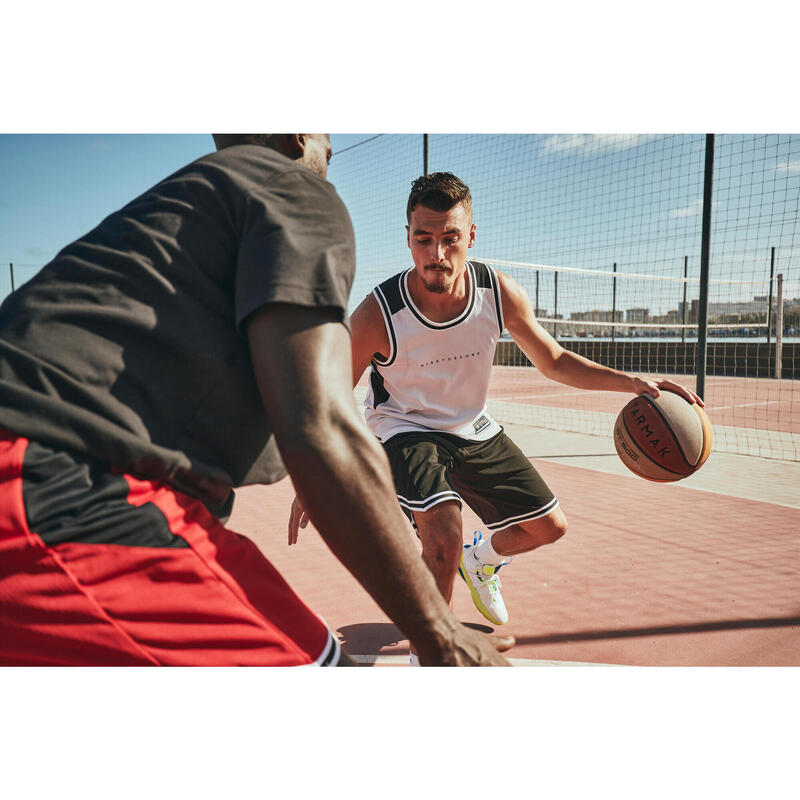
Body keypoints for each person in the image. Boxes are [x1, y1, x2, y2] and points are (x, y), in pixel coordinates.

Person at [0, 137, 509, 667]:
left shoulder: (173, 214)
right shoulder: (289, 189)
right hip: (54, 494)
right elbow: (321, 429)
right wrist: (438, 632)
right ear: (299, 134)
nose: (331, 139)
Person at [290, 171, 703, 645]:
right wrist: (313, 473)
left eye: (450, 238)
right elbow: (333, 394)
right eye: (423, 239)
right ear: (407, 237)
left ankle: (480, 561)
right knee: (441, 536)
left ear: (471, 236)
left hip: (469, 424)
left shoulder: (497, 292)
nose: (437, 254)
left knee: (549, 527)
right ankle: (434, 655)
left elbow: (555, 361)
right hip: (403, 427)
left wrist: (631, 383)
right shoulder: (378, 312)